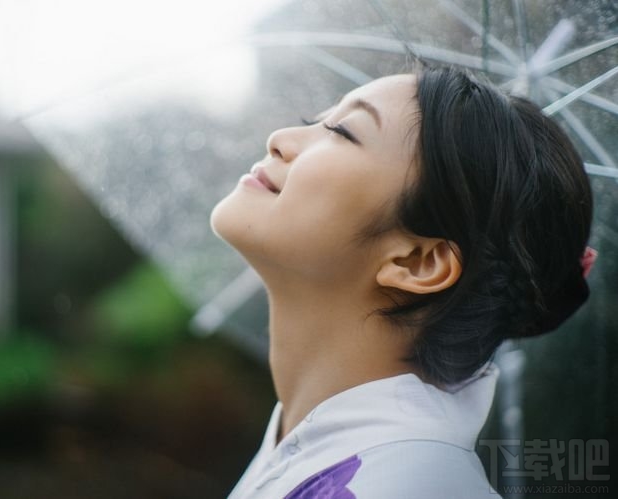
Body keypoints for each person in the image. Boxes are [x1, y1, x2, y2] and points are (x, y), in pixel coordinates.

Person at [210, 65, 595, 498]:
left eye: (340, 131)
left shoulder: (415, 485)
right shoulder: (312, 449)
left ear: (419, 261)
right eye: (312, 122)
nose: (280, 139)